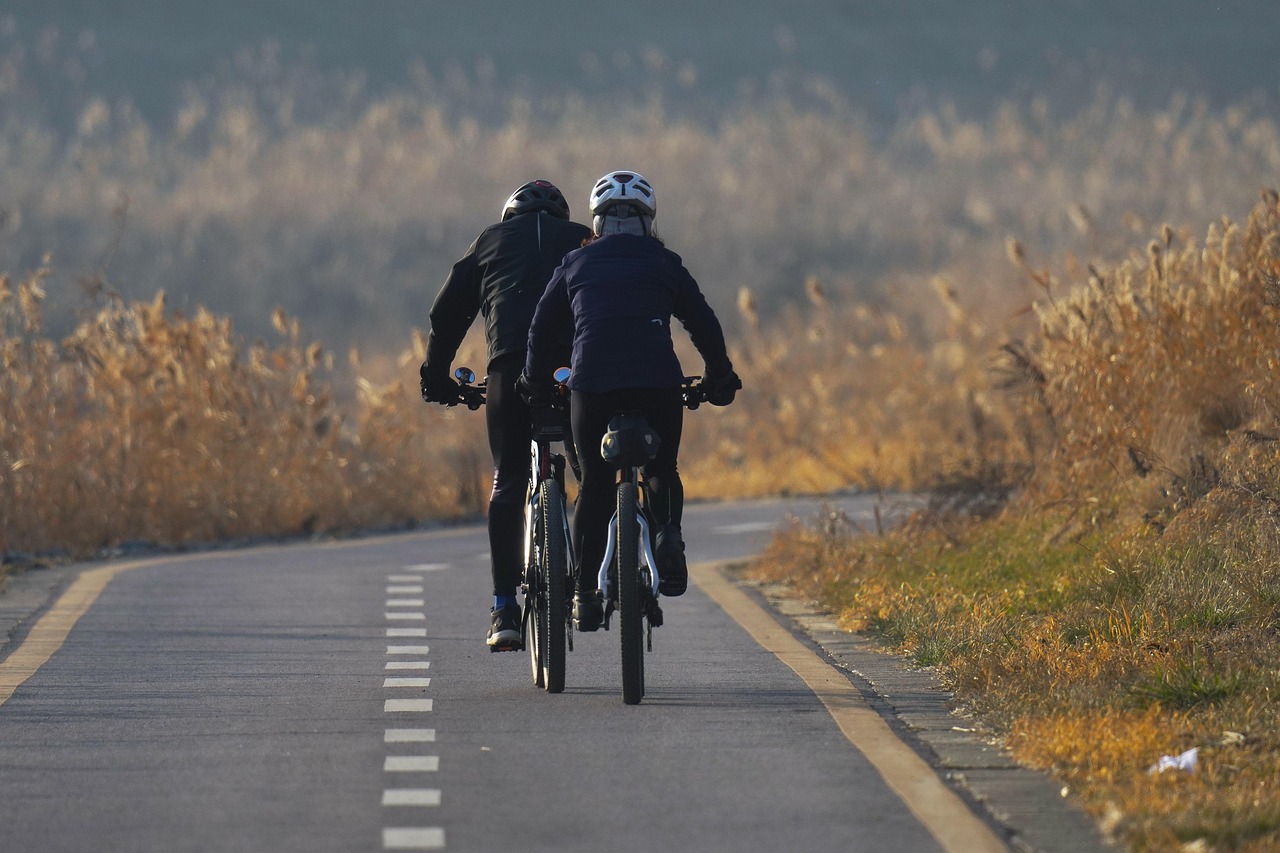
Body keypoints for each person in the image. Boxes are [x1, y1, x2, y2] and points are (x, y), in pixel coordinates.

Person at [519, 170, 741, 632]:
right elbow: (704, 323)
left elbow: (541, 328)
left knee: (596, 487)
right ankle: (668, 536)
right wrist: (720, 377)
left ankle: (582, 594)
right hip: (657, 384)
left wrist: (534, 381)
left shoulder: (574, 265)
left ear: (596, 223)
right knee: (662, 470)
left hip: (593, 385)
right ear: (648, 222)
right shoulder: (665, 264)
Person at [419, 180, 592, 650]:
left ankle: (503, 609)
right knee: (591, 476)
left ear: (509, 215)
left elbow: (448, 314)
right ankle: (589, 590)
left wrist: (436, 377)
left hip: (510, 367)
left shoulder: (489, 241)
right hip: (575, 368)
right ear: (563, 216)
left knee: (509, 479)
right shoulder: (583, 238)